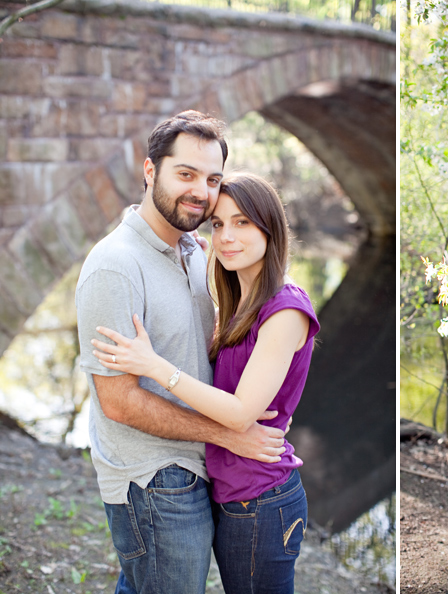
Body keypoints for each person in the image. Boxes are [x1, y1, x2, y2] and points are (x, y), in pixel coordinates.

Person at [75, 111, 288, 594]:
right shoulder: (115, 267)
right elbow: (119, 401)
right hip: (154, 479)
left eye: (212, 179)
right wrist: (232, 433)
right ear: (150, 172)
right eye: (185, 174)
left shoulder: (195, 250)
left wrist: (258, 400)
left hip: (196, 467)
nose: (200, 190)